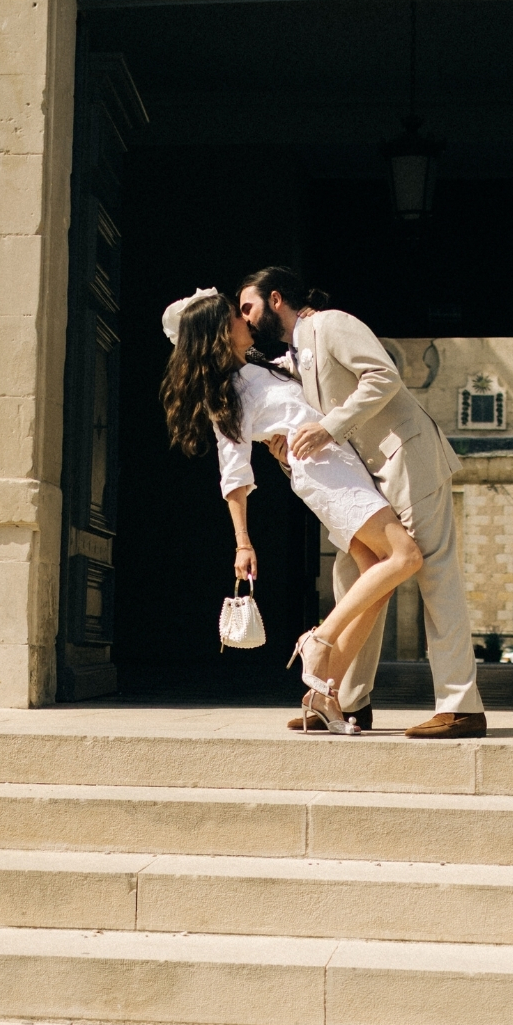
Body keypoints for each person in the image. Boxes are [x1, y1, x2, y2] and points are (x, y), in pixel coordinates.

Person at [239, 267, 487, 739]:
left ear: (275, 300)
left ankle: (462, 707)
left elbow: (382, 376)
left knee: (435, 575)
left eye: (248, 307)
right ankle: (348, 703)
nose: (245, 319)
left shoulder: (331, 323)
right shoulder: (292, 358)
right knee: (352, 577)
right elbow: (305, 430)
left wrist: (329, 427)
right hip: (369, 479)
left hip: (409, 458)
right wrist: (286, 452)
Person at [160, 288, 422, 733]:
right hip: (323, 473)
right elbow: (234, 475)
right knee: (405, 557)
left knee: (379, 583)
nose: (246, 319)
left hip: (336, 463)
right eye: (235, 316)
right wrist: (243, 542)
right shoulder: (226, 395)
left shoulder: (267, 366)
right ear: (220, 332)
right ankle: (318, 641)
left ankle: (322, 693)